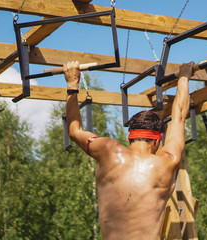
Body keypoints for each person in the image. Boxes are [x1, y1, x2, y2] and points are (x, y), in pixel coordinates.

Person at [64, 60, 194, 239]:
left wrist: (72, 83)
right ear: (157, 142)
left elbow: (74, 130)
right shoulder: (167, 161)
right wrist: (184, 76)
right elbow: (178, 115)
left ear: (130, 137)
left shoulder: (108, 151)